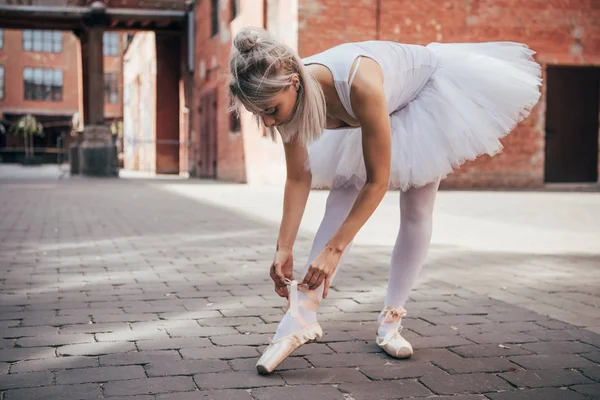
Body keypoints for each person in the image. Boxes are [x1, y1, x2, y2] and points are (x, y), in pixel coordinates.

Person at [228, 26, 541, 375]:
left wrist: (334, 251)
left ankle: (391, 320)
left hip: (422, 94)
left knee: (417, 208)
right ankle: (301, 316)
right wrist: (283, 247)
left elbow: (377, 183)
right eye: (260, 115)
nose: (269, 121)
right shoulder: (288, 100)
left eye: (271, 110)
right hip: (366, 106)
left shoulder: (359, 84)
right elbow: (299, 177)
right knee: (341, 195)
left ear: (294, 83)